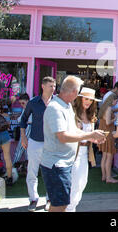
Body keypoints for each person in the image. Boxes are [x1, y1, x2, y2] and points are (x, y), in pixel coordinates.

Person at [40, 76, 106, 212]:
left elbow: (73, 130)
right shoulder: (56, 108)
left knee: (64, 203)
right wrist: (89, 135)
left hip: (63, 163)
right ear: (74, 92)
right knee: (60, 204)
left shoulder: (66, 106)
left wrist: (91, 138)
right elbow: (62, 136)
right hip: (56, 164)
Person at [20, 76, 56, 212]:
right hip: (35, 141)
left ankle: (49, 199)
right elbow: (23, 120)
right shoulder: (33, 102)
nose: (53, 89)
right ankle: (33, 199)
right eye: (50, 86)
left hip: (52, 143)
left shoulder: (57, 102)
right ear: (43, 86)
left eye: (54, 86)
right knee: (32, 172)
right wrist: (23, 137)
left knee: (50, 173)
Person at [67, 87, 101, 212]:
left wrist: (97, 138)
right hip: (72, 152)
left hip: (85, 152)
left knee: (82, 183)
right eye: (86, 99)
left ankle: (71, 207)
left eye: (91, 100)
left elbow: (90, 137)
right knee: (75, 184)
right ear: (80, 98)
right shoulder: (72, 112)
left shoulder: (90, 114)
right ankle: (69, 209)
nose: (88, 102)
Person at [98, 92, 118, 183]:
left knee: (104, 156)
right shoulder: (109, 108)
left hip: (103, 133)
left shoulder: (104, 107)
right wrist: (116, 118)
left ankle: (104, 176)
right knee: (109, 157)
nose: (116, 103)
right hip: (109, 134)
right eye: (116, 101)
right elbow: (108, 122)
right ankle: (109, 177)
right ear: (112, 100)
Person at [12, 93, 31, 167]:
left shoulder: (28, 108)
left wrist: (17, 118)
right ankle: (26, 167)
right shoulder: (26, 108)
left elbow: (21, 120)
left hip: (28, 127)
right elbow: (20, 119)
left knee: (20, 148)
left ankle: (13, 167)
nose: (22, 105)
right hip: (27, 128)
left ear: (27, 101)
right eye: (20, 103)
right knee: (26, 150)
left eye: (23, 103)